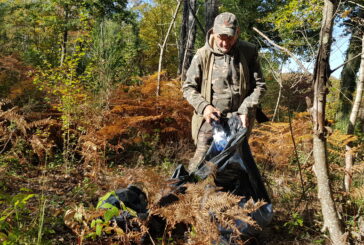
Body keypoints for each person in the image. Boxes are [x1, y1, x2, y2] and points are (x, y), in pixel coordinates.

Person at [182, 12, 266, 172]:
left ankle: (227, 197)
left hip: (239, 120)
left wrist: (245, 109)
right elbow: (188, 87)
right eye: (221, 37)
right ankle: (193, 195)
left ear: (238, 33)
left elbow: (260, 86)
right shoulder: (202, 55)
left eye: (230, 38)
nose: (225, 43)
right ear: (213, 31)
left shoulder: (248, 52)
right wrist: (205, 107)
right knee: (199, 167)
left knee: (234, 167)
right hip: (210, 120)